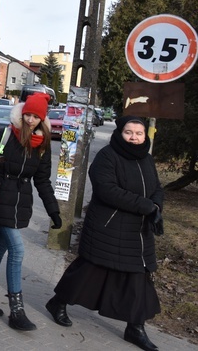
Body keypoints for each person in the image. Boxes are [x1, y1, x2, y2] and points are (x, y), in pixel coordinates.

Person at [46, 116, 164, 351]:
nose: (134, 137)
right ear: (120, 133)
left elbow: (157, 188)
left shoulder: (147, 159)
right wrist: (146, 206)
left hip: (137, 231)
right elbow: (108, 190)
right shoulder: (107, 156)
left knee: (138, 278)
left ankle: (135, 328)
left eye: (138, 133)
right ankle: (58, 302)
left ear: (145, 136)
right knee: (91, 271)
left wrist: (157, 206)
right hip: (108, 227)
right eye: (129, 132)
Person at [0, 92, 61, 331]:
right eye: (27, 115)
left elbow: (42, 180)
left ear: (42, 119)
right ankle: (16, 311)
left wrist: (53, 210)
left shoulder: (42, 145)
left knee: (0, 248)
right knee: (17, 251)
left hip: (21, 202)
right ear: (21, 114)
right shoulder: (6, 134)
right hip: (1, 197)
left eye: (35, 116)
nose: (30, 120)